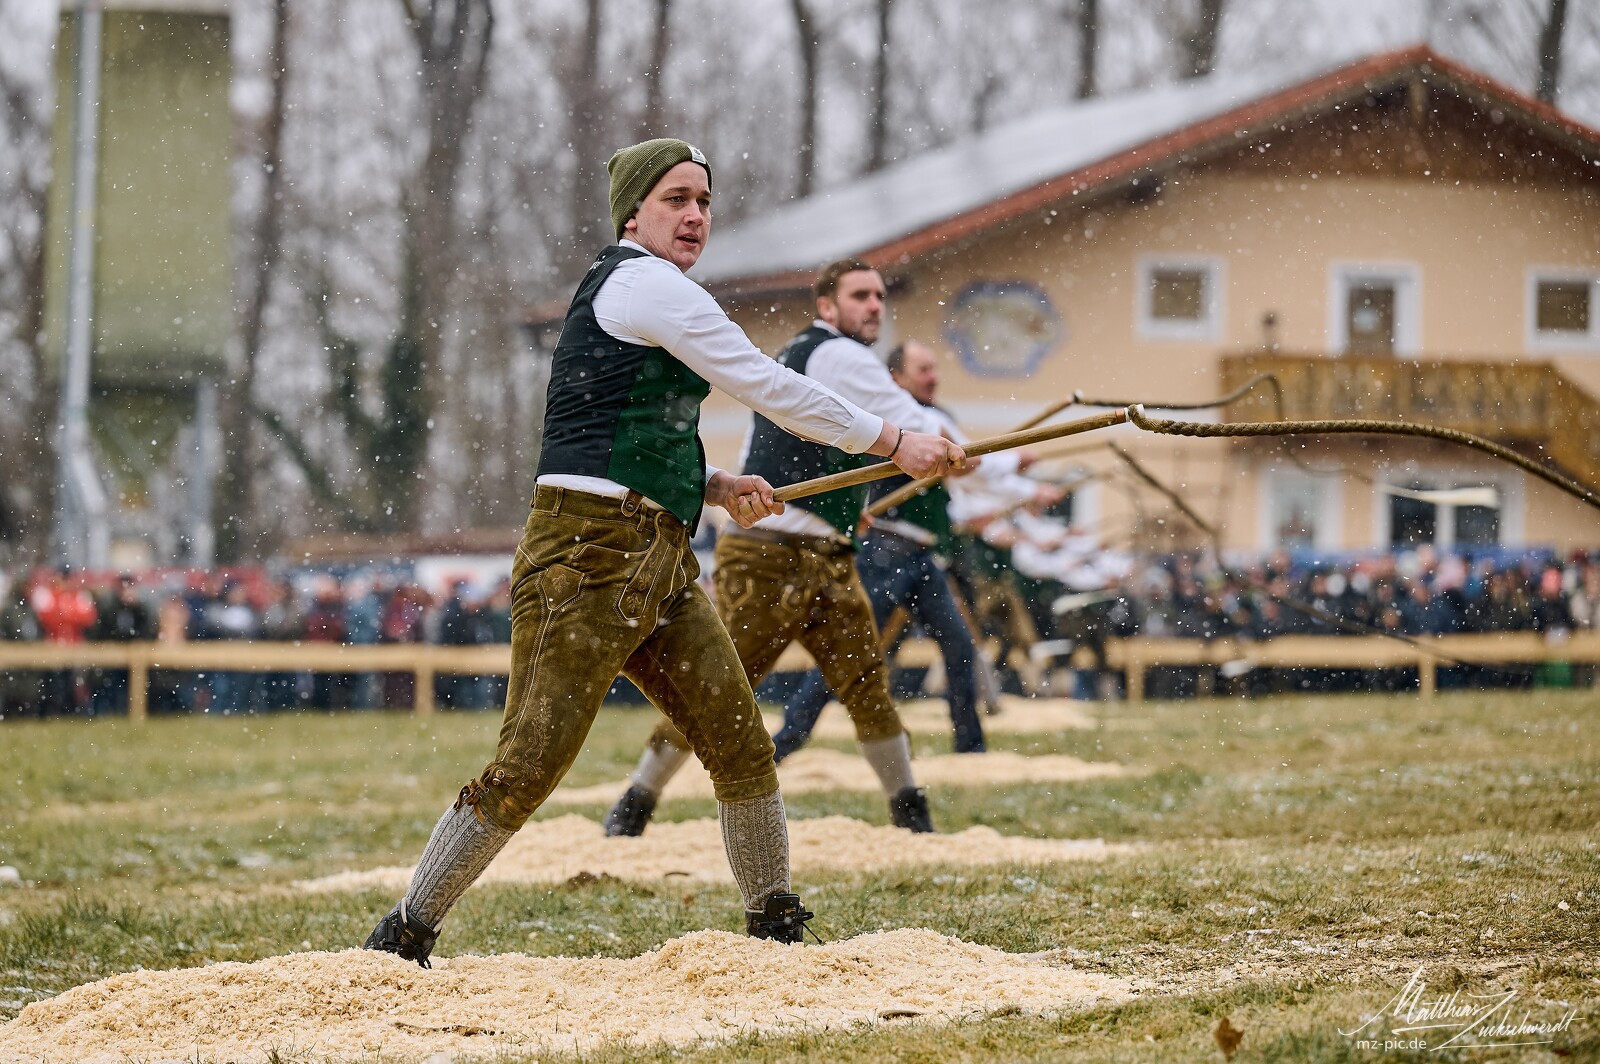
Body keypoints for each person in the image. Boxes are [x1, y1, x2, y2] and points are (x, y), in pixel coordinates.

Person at [363, 139, 963, 967]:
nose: (694, 216)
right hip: (584, 557)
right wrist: (896, 441)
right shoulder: (644, 283)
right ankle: (405, 931)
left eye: (705, 202)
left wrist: (712, 485)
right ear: (632, 213)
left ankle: (774, 927)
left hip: (661, 556)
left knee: (739, 739)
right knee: (531, 762)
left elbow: (623, 429)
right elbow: (769, 387)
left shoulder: (654, 292)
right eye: (676, 199)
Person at [602, 262, 963, 840]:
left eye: (879, 296)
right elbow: (910, 423)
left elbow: (779, 447)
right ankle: (637, 798)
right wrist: (972, 453)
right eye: (860, 296)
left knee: (864, 683)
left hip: (822, 549)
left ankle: (910, 813)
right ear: (827, 307)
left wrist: (848, 510)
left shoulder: (802, 353)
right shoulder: (843, 355)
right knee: (721, 687)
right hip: (771, 556)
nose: (875, 306)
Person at [770, 340, 1062, 758]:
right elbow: (973, 465)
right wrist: (1016, 463)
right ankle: (786, 742)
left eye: (934, 368)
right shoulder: (891, 420)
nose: (933, 376)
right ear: (896, 378)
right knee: (852, 650)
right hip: (884, 550)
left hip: (923, 555)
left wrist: (1025, 485)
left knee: (959, 645)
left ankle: (970, 748)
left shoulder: (937, 419)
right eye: (923, 369)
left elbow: (968, 469)